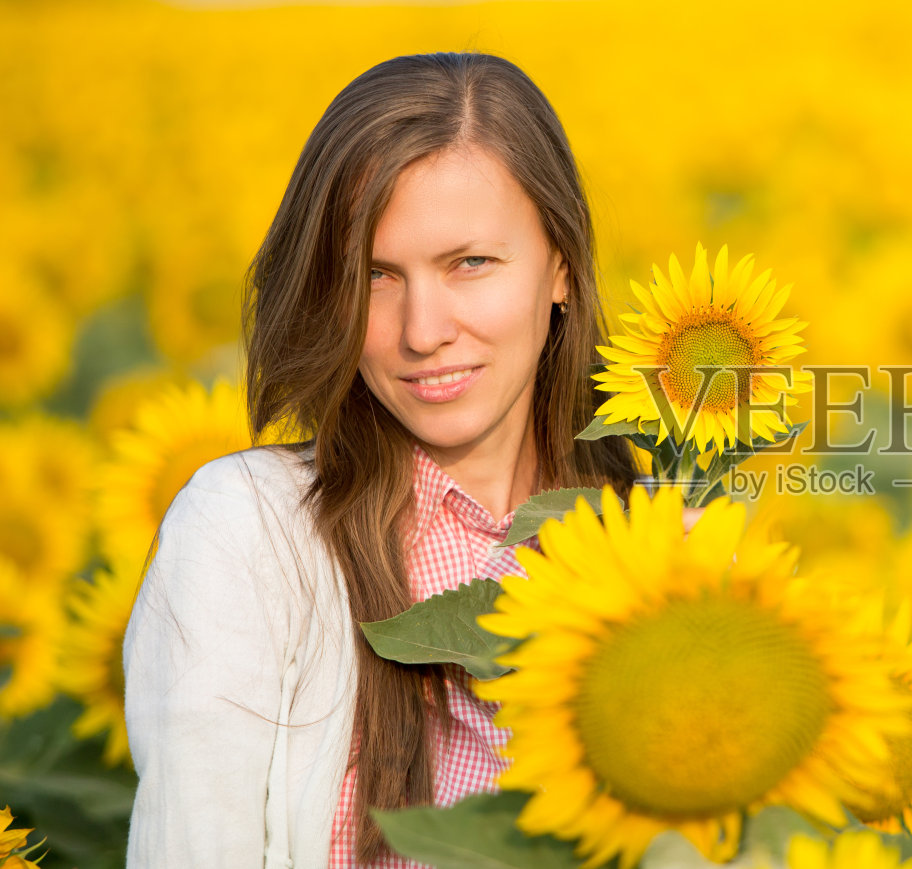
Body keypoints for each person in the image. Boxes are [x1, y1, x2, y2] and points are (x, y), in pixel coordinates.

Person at [123, 51, 690, 868]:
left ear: (560, 266)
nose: (423, 330)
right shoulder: (250, 533)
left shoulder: (663, 538)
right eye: (375, 275)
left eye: (470, 263)